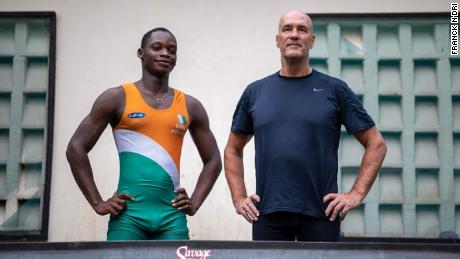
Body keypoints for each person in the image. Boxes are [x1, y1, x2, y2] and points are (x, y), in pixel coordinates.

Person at [224, 10, 387, 242]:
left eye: (302, 29)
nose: (294, 35)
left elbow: (376, 144)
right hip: (269, 213)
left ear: (312, 41)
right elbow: (232, 149)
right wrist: (239, 198)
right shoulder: (255, 92)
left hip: (322, 214)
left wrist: (355, 194)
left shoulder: (335, 90)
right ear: (277, 40)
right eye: (287, 29)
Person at [66, 27, 222, 240]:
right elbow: (76, 148)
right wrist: (97, 202)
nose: (165, 53)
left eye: (172, 50)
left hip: (172, 216)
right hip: (128, 217)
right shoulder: (117, 98)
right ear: (141, 53)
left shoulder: (190, 106)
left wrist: (194, 202)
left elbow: (213, 159)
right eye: (157, 47)